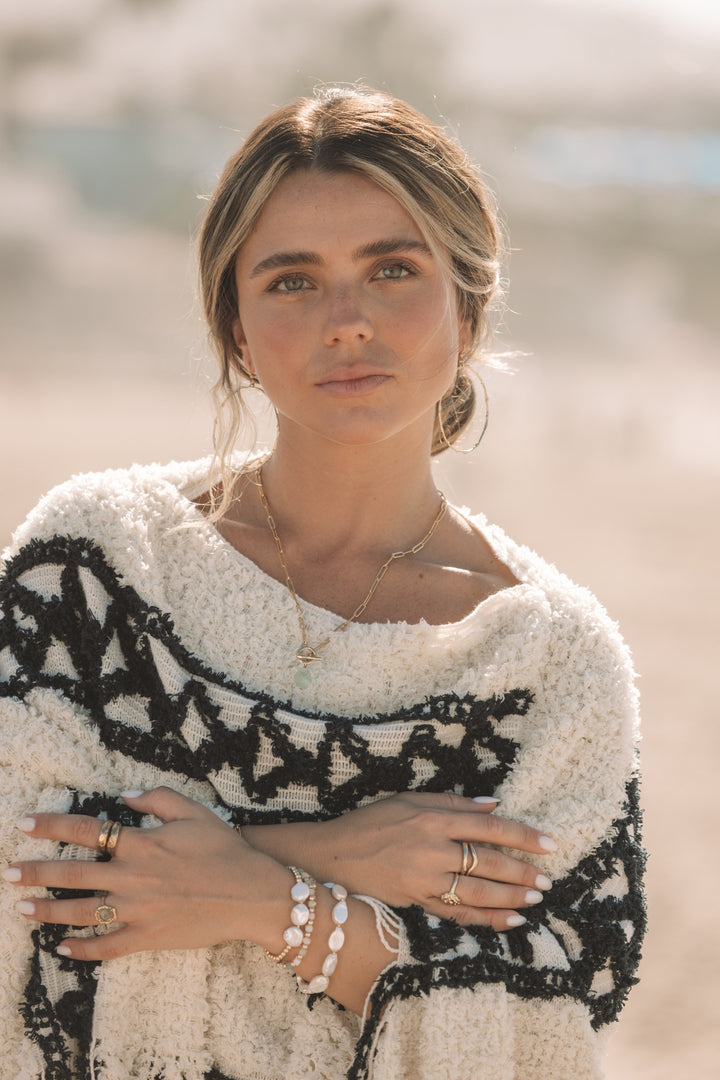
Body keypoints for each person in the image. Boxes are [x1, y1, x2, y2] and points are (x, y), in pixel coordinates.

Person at [0, 86, 645, 1080]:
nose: (347, 321)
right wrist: (337, 852)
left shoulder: (549, 662)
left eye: (393, 269)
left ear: (468, 310)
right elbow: (26, 879)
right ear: (239, 332)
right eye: (293, 281)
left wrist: (265, 900)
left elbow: (542, 1021)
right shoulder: (96, 560)